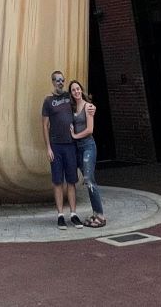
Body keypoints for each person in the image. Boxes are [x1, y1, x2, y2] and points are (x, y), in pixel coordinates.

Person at [40, 69, 81, 229]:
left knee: (71, 180)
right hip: (56, 146)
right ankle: (60, 215)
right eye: (57, 80)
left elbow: (82, 103)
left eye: (62, 80)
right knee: (58, 181)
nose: (60, 82)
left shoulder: (69, 97)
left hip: (70, 145)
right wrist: (48, 148)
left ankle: (73, 214)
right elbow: (44, 125)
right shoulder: (48, 101)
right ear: (52, 81)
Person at [68, 80, 105, 228]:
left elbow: (90, 129)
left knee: (89, 180)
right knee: (86, 180)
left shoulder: (88, 107)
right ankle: (96, 213)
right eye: (73, 90)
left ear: (81, 90)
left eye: (78, 89)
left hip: (88, 146)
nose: (76, 92)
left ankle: (101, 216)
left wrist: (75, 136)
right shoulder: (72, 107)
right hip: (77, 148)